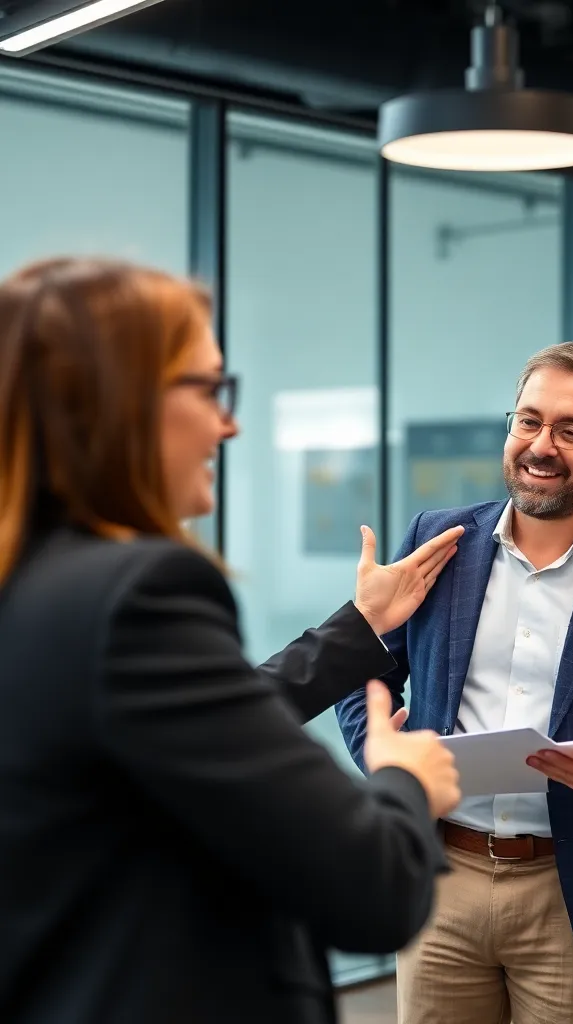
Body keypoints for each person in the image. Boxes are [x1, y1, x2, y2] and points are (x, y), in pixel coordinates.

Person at [0, 257, 465, 1024]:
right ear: (117, 401)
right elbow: (371, 887)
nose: (231, 422)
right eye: (210, 387)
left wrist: (361, 627)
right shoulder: (141, 593)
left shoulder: (37, 586)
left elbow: (189, 727)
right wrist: (404, 779)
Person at [337, 342, 573, 1024]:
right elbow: (359, 670)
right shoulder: (440, 541)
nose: (541, 445)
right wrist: (378, 747)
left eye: (572, 430)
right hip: (441, 879)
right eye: (529, 421)